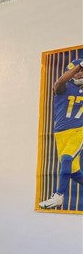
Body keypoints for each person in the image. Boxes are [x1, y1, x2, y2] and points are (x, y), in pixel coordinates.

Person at [39, 58, 83, 209]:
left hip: (79, 131)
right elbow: (59, 82)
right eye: (76, 71)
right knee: (73, 172)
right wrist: (79, 66)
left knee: (66, 159)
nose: (78, 74)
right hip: (61, 133)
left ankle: (58, 196)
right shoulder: (63, 87)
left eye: (81, 71)